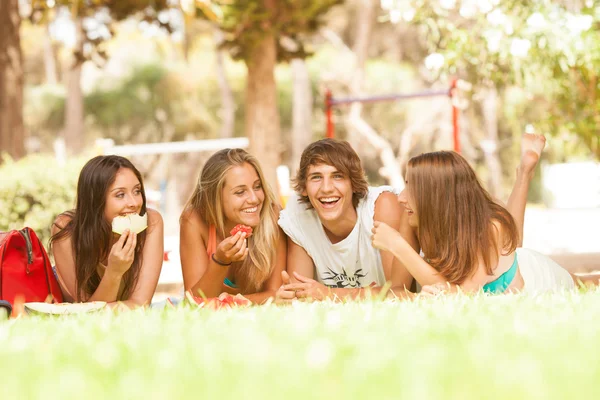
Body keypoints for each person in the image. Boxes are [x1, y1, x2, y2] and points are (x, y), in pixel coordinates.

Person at [371, 134, 581, 294]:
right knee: (510, 242)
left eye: (412, 188)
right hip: (503, 263)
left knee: (588, 283)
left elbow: (460, 296)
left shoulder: (490, 229)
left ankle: (524, 173)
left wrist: (397, 245)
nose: (401, 197)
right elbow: (398, 289)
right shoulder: (415, 219)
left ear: (435, 196)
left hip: (536, 275)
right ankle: (524, 172)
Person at [278, 138, 419, 301]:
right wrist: (290, 297)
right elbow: (301, 293)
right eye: (316, 177)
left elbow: (400, 293)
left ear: (353, 183)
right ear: (304, 188)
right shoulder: (298, 215)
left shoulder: (382, 206)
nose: (326, 188)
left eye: (337, 176)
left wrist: (330, 294)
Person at [50, 155, 164, 307]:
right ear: (96, 200)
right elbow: (86, 312)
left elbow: (140, 304)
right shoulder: (66, 229)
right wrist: (114, 272)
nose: (134, 203)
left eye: (137, 191)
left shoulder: (152, 222)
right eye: (120, 195)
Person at [179, 148, 287, 304]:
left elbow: (276, 294)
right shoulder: (193, 221)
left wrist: (226, 302)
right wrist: (221, 261)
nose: (254, 199)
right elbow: (194, 302)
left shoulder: (272, 216)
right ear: (215, 196)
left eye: (257, 187)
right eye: (240, 192)